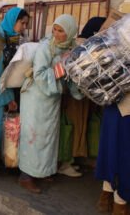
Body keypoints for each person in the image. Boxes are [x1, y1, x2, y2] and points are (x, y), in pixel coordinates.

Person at [18, 14, 83, 193]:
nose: (56, 34)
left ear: (69, 33)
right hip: (35, 98)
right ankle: (25, 176)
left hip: (52, 98)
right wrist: (62, 65)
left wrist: (77, 90)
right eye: (55, 29)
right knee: (33, 136)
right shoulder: (46, 47)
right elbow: (39, 75)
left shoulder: (70, 47)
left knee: (48, 136)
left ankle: (42, 171)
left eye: (61, 31)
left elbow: (70, 75)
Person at [58, 17, 106, 178]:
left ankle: (70, 161)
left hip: (80, 95)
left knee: (78, 126)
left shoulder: (85, 46)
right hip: (74, 96)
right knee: (72, 127)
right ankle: (66, 163)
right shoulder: (81, 48)